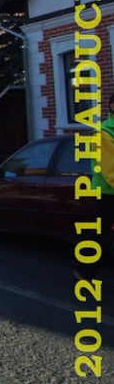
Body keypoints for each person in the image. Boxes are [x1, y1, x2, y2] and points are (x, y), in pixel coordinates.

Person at [76, 92, 114, 281]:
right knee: (101, 236)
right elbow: (110, 170)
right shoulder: (103, 133)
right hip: (107, 193)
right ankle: (84, 272)